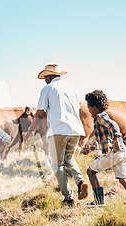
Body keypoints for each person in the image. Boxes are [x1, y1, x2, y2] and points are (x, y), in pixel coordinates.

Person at [25, 64, 89, 206]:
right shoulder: (72, 88)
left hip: (58, 130)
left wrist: (30, 131)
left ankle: (68, 198)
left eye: (45, 77)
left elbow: (40, 113)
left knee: (57, 165)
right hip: (75, 130)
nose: (44, 80)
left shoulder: (47, 89)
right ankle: (81, 181)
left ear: (49, 76)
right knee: (69, 159)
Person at [81, 90, 126, 208]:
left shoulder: (99, 117)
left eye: (89, 108)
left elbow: (114, 126)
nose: (89, 111)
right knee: (124, 179)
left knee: (90, 171)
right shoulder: (104, 115)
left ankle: (99, 201)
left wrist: (115, 141)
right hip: (121, 153)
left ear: (95, 107)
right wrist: (91, 149)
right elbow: (103, 140)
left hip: (113, 153)